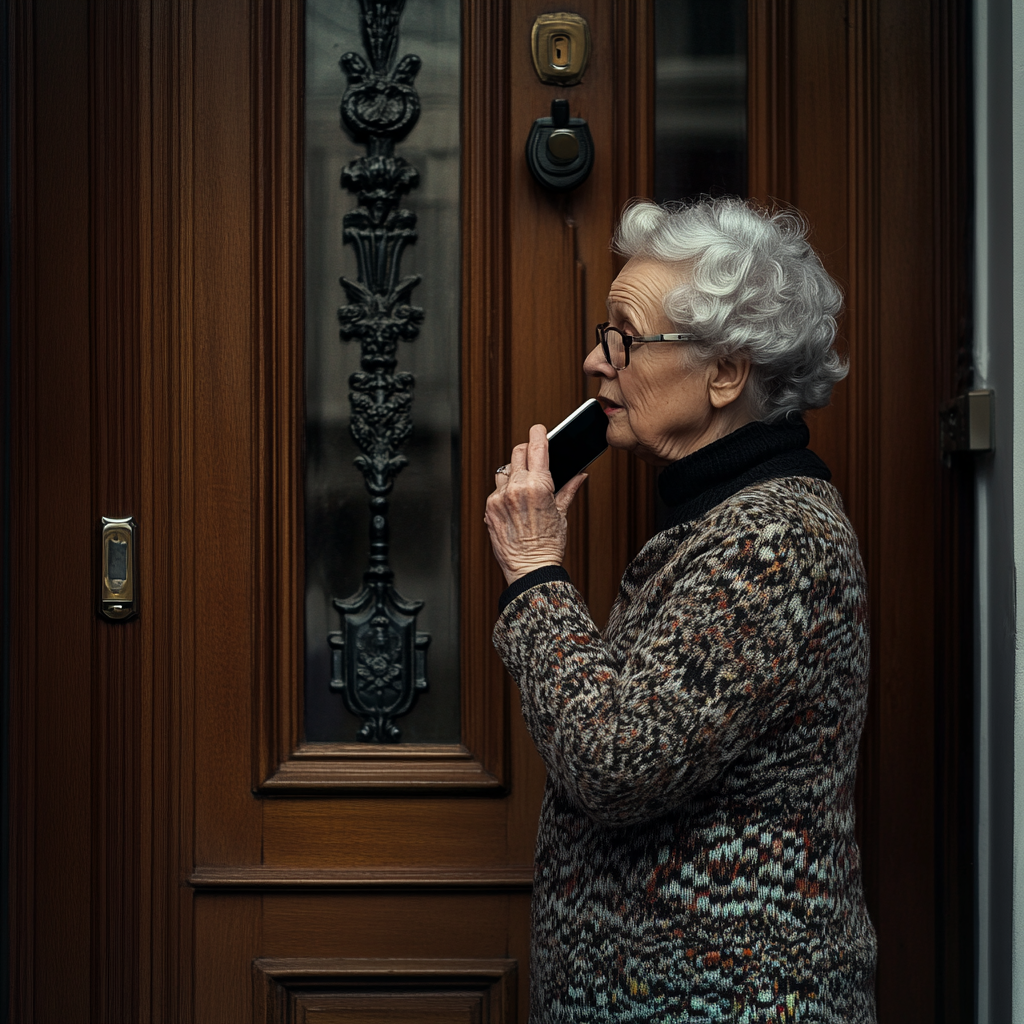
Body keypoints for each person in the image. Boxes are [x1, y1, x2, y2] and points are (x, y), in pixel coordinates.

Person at [485, 198, 877, 1022]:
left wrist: (534, 574)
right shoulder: (717, 520)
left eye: (623, 338)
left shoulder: (775, 542)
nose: (595, 360)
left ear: (726, 372)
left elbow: (615, 763)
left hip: (733, 999)